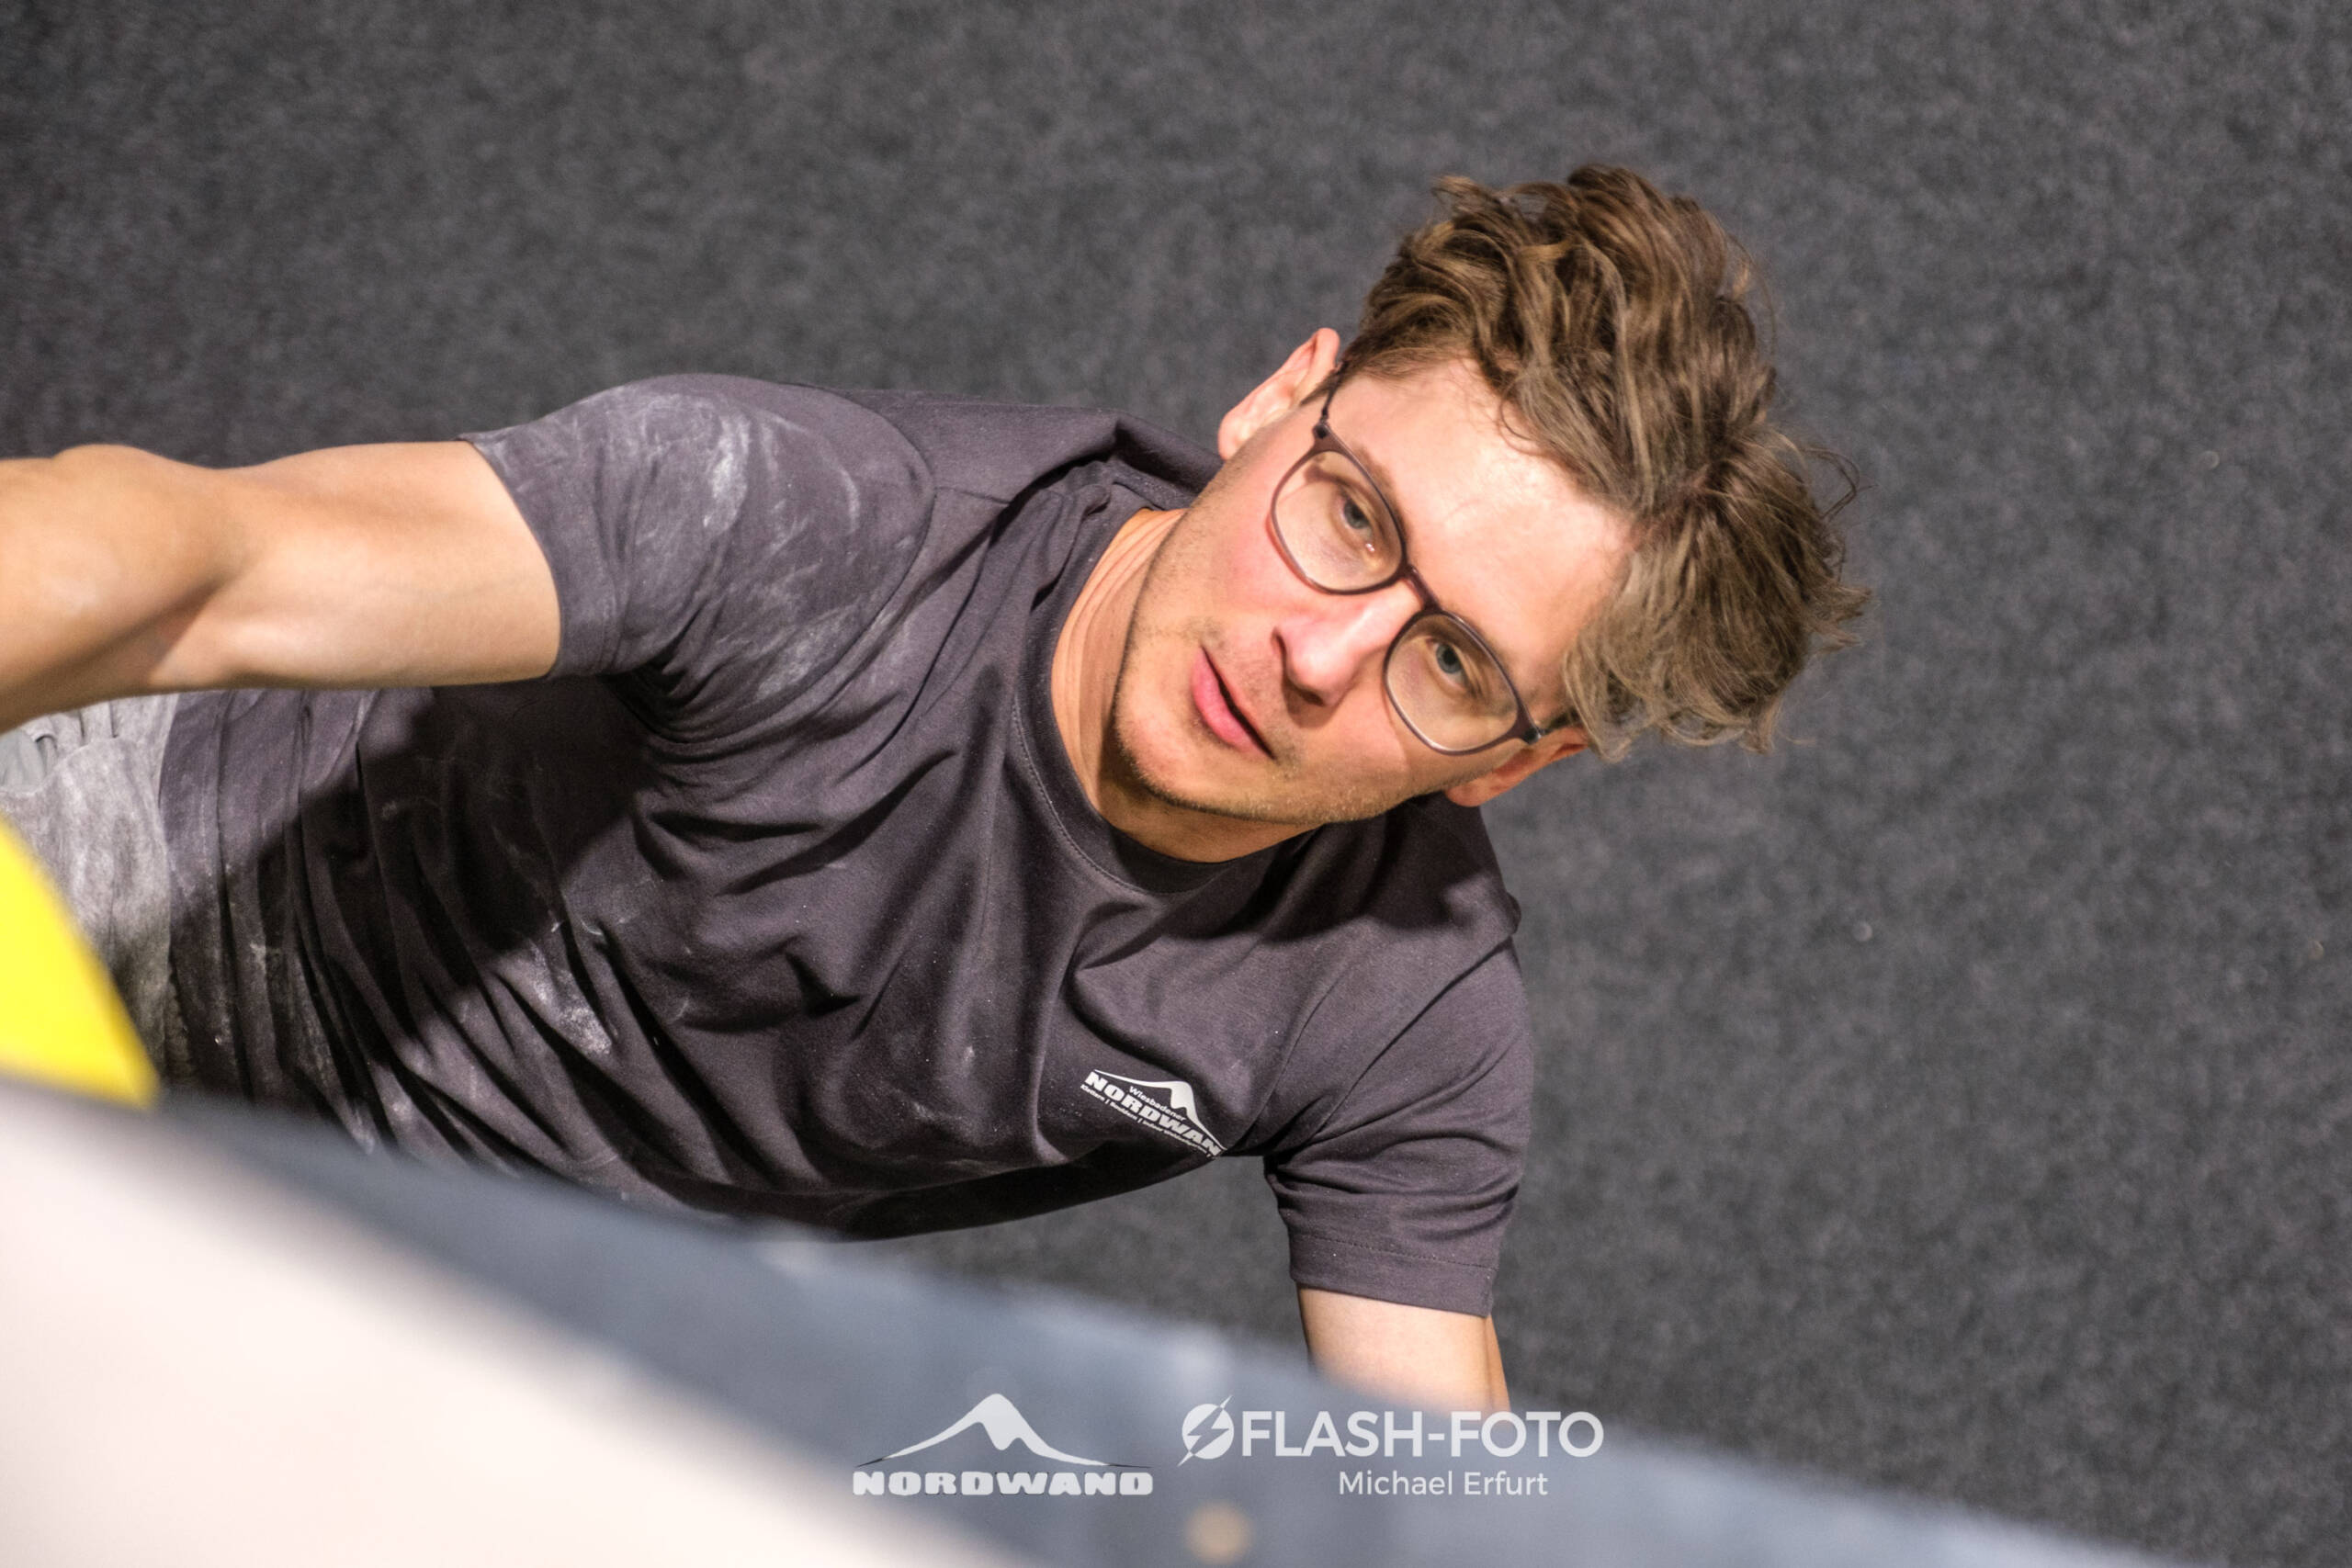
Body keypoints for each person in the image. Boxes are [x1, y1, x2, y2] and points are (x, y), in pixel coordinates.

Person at [0, 166, 1864, 1413]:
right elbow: (196, 562)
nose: (1318, 650)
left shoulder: (1398, 1002)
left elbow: (1428, 1491)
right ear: (1275, 402)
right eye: (1352, 514)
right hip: (131, 915)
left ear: (1517, 758)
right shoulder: (818, 526)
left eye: (1448, 659)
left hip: (457, 1322)